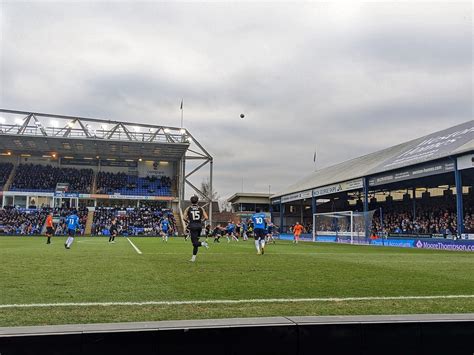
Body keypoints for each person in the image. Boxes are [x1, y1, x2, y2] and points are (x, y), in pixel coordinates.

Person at [183, 195, 209, 262]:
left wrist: (188, 222)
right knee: (196, 242)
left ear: (190, 201)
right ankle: (193, 258)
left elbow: (184, 218)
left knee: (194, 243)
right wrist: (201, 221)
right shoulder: (201, 208)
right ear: (197, 201)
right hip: (199, 226)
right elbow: (206, 217)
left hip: (193, 226)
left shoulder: (188, 208)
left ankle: (203, 243)